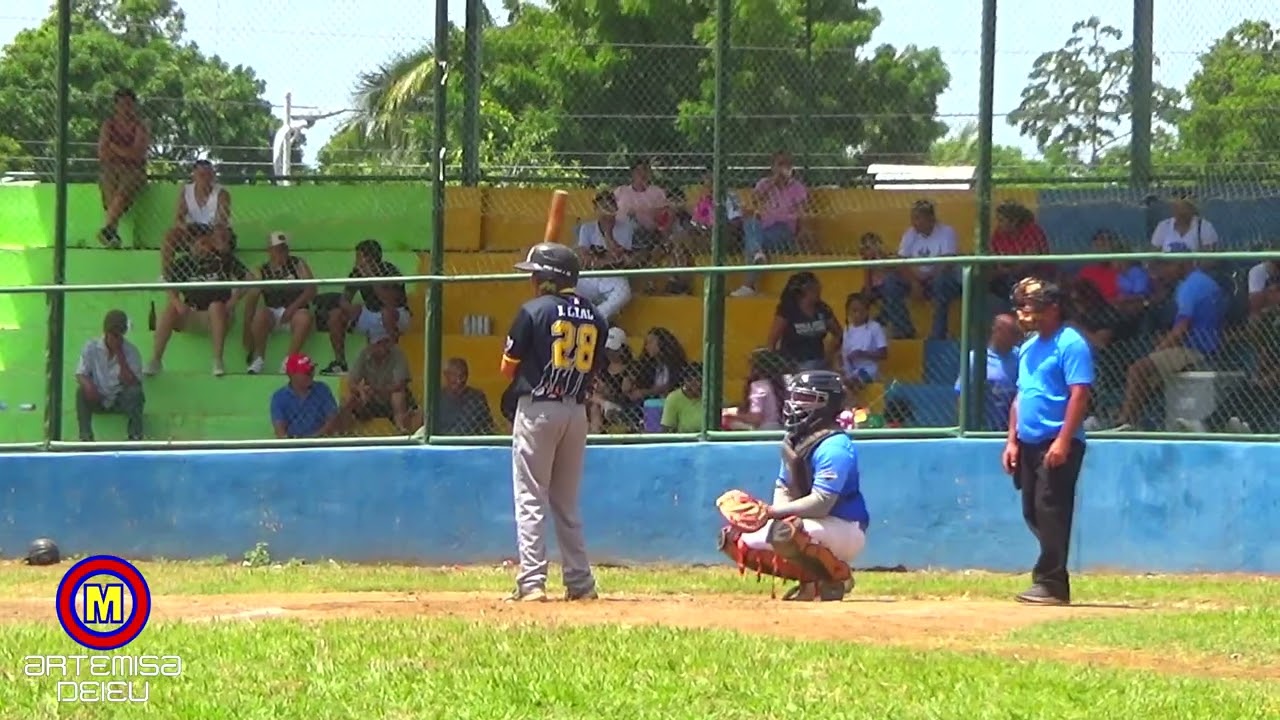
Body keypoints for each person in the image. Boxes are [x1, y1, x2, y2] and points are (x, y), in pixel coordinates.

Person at [500, 242, 609, 603]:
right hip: (576, 412)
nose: (531, 279)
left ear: (547, 277)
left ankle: (532, 581)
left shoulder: (533, 310)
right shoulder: (596, 315)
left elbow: (506, 369)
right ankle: (580, 583)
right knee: (566, 501)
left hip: (539, 408)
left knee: (531, 496)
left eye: (535, 273)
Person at [717, 370, 870, 601]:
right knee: (735, 539)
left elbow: (821, 503)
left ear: (827, 404)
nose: (795, 404)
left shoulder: (834, 445)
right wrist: (777, 516)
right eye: (795, 397)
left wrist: (771, 512)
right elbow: (784, 487)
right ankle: (810, 580)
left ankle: (836, 577)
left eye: (807, 399)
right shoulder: (794, 441)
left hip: (844, 526)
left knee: (787, 534)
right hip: (809, 524)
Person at [1002, 277, 1093, 606]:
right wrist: (1011, 441)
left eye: (1032, 307)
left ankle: (1053, 583)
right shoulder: (1028, 347)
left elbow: (1079, 394)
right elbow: (1020, 397)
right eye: (1022, 307)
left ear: (1053, 309)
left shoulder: (1070, 343)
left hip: (1056, 442)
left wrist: (1063, 441)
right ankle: (1048, 574)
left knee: (1051, 509)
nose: (1024, 313)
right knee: (1033, 510)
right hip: (1028, 443)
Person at [146, 235, 250, 377]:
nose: (201, 247)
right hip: (192, 313)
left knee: (216, 306)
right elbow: (168, 283)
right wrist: (177, 303)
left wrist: (233, 301)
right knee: (170, 309)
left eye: (205, 243)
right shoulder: (184, 262)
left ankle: (218, 361)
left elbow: (249, 278)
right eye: (198, 243)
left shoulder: (224, 260)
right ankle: (155, 360)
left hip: (220, 314)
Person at [243, 232, 317, 374]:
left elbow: (311, 289)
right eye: (278, 249)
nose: (283, 252)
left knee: (304, 317)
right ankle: (259, 358)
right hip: (273, 311)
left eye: (284, 248)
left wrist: (292, 308)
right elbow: (251, 295)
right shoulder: (261, 269)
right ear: (269, 251)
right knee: (260, 314)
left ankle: (289, 360)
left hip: (296, 311)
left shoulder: (297, 263)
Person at [75, 310, 144, 442]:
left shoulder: (131, 351)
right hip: (98, 396)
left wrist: (121, 357)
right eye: (113, 335)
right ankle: (85, 438)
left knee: (136, 394)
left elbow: (134, 383)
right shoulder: (91, 347)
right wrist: (88, 386)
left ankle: (134, 438)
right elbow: (80, 374)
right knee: (81, 392)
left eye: (119, 335)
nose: (116, 339)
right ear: (106, 333)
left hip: (119, 398)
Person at [96, 88, 149, 249]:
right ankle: (111, 232)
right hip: (111, 168)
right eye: (121, 104)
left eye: (128, 104)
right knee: (111, 192)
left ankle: (109, 229)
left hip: (134, 169)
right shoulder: (109, 124)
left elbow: (138, 154)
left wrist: (114, 147)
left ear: (134, 106)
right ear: (115, 106)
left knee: (122, 192)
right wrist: (124, 151)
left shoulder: (141, 125)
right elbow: (102, 152)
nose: (125, 108)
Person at [162, 159, 235, 273]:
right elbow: (179, 217)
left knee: (220, 238)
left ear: (213, 176)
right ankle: (166, 274)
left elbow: (222, 221)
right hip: (192, 229)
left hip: (214, 229)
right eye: (202, 175)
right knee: (169, 236)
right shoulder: (186, 191)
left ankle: (224, 272)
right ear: (194, 176)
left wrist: (206, 238)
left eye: (209, 175)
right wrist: (185, 229)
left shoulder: (222, 194)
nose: (206, 179)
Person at [766, 272, 841, 371]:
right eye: (814, 290)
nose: (819, 291)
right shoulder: (788, 310)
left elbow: (838, 333)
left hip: (818, 361)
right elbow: (772, 341)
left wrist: (829, 353)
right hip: (794, 364)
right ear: (804, 291)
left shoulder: (822, 309)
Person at [269, 354, 343, 438]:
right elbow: (280, 432)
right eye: (306, 372)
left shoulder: (322, 389)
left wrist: (313, 439)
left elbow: (333, 420)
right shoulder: (279, 397)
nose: (311, 374)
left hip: (321, 442)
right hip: (294, 445)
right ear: (291, 374)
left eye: (312, 370)